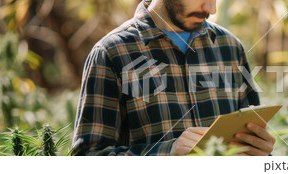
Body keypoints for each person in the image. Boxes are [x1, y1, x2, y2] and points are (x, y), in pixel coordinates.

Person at [72, 0, 275, 156]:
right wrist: (167, 153)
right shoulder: (111, 52)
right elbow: (89, 157)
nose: (211, 8)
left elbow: (251, 135)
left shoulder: (230, 47)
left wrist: (262, 154)